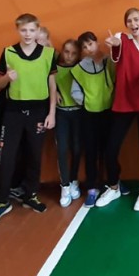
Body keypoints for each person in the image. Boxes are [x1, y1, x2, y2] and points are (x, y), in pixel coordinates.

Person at [0, 14, 57, 226]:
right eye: (23, 30)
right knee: (6, 157)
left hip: (38, 112)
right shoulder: (9, 52)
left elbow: (52, 85)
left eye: (31, 30)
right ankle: (2, 201)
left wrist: (51, 113)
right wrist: (7, 78)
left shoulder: (49, 54)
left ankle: (31, 195)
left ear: (38, 31)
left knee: (34, 155)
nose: (27, 34)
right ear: (18, 30)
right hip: (13, 112)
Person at [97, 9, 139, 211]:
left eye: (136, 19)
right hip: (124, 103)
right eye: (129, 21)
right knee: (111, 148)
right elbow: (116, 57)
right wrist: (115, 45)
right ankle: (114, 186)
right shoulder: (121, 39)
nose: (133, 24)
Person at [70, 31, 116, 208]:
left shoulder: (109, 61)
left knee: (110, 151)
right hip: (89, 114)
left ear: (97, 42)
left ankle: (113, 182)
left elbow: (117, 80)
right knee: (91, 152)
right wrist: (87, 101)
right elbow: (75, 91)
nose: (89, 49)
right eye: (84, 47)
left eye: (90, 44)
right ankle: (91, 188)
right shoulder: (80, 68)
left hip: (109, 112)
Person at [54, 39, 83, 208]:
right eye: (66, 52)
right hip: (61, 113)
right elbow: (46, 84)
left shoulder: (81, 68)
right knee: (62, 149)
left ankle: (73, 180)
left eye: (73, 53)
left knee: (77, 148)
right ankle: (64, 185)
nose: (69, 56)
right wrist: (54, 92)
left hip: (78, 113)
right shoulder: (54, 69)